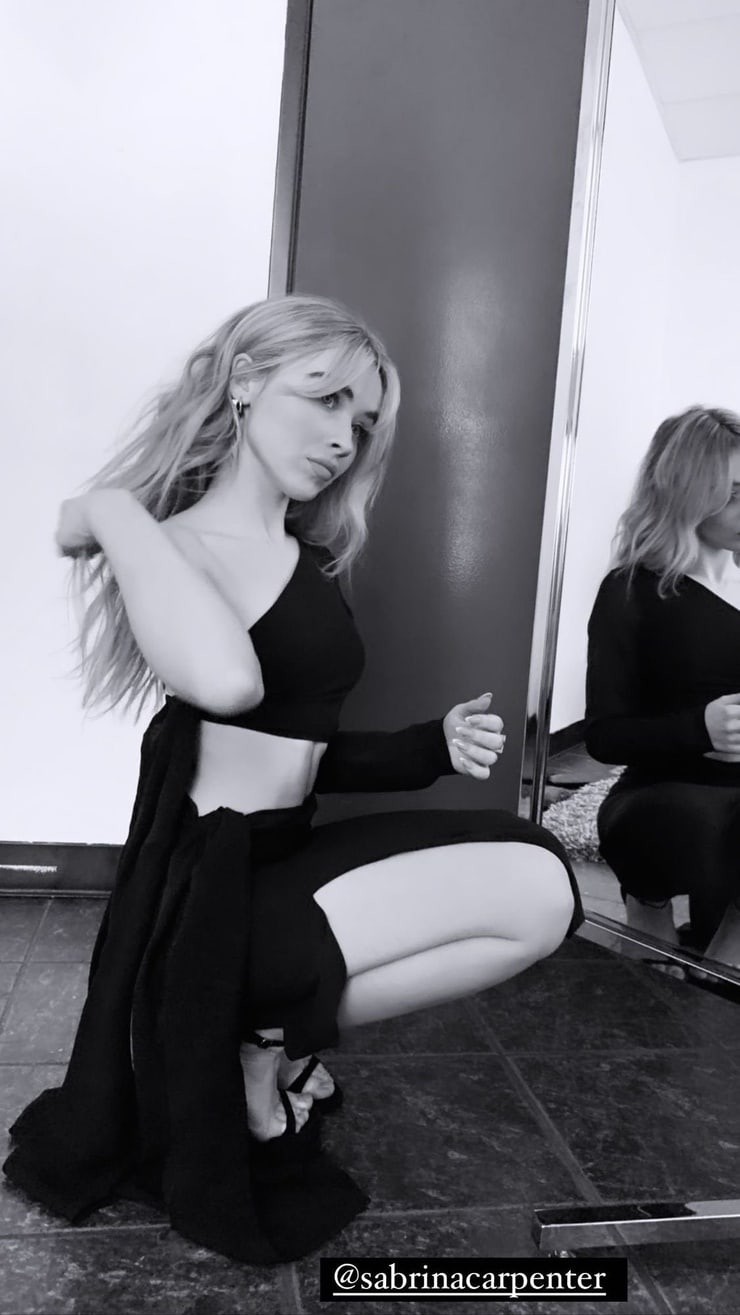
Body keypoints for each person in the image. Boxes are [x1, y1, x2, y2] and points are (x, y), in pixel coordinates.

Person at [4, 294, 581, 1264]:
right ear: (243, 383)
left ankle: (263, 1034)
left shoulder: (299, 555)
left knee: (538, 877)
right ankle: (252, 1028)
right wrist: (110, 509)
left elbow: (299, 747)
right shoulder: (177, 547)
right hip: (214, 907)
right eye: (324, 399)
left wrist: (429, 747)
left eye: (362, 421)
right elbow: (227, 683)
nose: (344, 439)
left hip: (281, 852)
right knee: (535, 889)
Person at [585, 405, 740, 968]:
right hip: (665, 794)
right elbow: (604, 737)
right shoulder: (630, 592)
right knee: (699, 827)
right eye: (734, 493)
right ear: (687, 491)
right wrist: (699, 728)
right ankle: (648, 903)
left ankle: (721, 958)